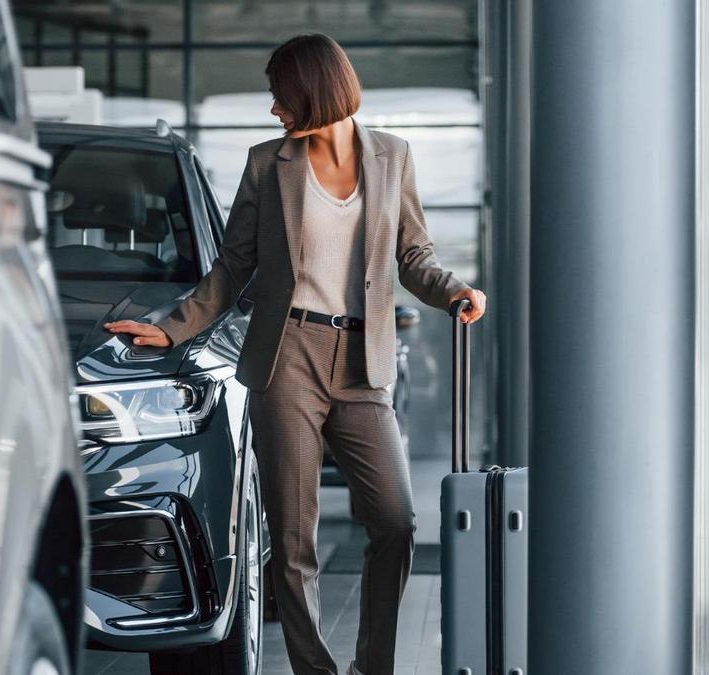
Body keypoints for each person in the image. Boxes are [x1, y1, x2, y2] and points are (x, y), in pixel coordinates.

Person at [105, 32, 487, 675]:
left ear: (312, 90)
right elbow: (233, 269)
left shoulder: (393, 158)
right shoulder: (266, 165)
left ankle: (376, 666)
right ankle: (315, 669)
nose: (274, 110)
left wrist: (453, 291)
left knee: (394, 521)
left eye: (281, 96)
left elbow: (412, 256)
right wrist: (171, 328)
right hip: (287, 356)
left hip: (364, 358)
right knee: (292, 538)